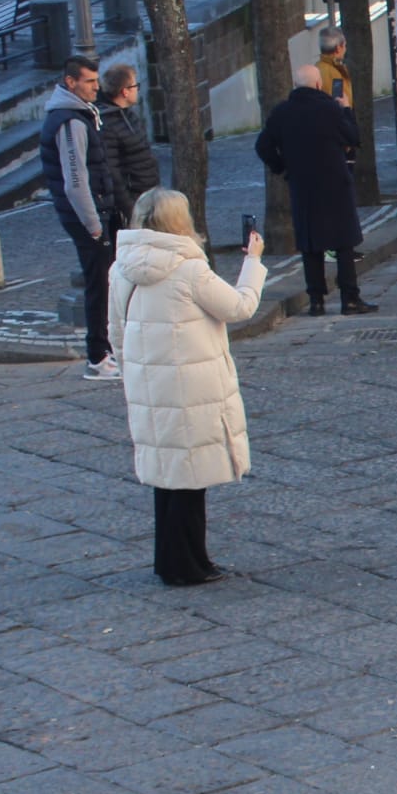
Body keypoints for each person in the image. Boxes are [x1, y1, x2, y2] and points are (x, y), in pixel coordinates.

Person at [109, 189, 267, 586]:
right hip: (192, 387)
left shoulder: (121, 268)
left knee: (168, 477)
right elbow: (240, 307)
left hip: (151, 386)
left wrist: (134, 376)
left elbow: (116, 332)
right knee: (190, 480)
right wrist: (252, 261)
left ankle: (170, 560)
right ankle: (189, 565)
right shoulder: (188, 269)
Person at [256, 65, 374, 317]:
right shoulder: (330, 109)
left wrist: (282, 166)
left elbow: (262, 146)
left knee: (310, 243)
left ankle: (316, 301)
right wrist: (346, 109)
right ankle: (350, 299)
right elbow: (353, 137)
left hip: (303, 185)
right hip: (335, 183)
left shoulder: (282, 113)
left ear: (295, 85)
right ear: (319, 84)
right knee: (343, 241)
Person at [41, 56, 119, 379]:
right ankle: (98, 357)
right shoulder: (71, 122)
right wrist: (94, 226)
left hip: (96, 210)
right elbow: (75, 182)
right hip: (88, 216)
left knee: (106, 282)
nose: (96, 87)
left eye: (96, 80)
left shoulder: (81, 114)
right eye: (89, 81)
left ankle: (107, 350)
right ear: (70, 82)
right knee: (98, 285)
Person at [97, 64, 160, 234]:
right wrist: (130, 209)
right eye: (135, 86)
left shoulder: (129, 115)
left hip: (148, 195)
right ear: (125, 91)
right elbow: (113, 172)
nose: (137, 90)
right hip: (134, 202)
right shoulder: (107, 125)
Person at [314, 27, 353, 108]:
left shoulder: (316, 68)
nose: (345, 49)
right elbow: (339, 104)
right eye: (344, 46)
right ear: (338, 48)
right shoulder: (334, 73)